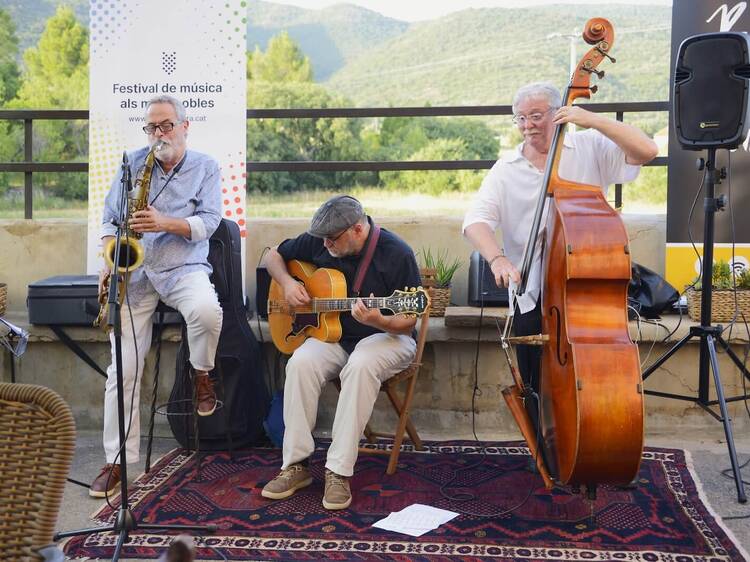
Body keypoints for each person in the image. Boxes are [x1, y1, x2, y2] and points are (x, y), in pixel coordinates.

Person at [463, 81, 658, 394]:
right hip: (529, 291)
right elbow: (475, 221)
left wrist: (592, 119)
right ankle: (541, 442)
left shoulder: (590, 146)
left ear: (559, 113)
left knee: (591, 383)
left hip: (585, 290)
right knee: (534, 386)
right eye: (520, 118)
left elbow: (647, 151)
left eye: (536, 116)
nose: (528, 126)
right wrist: (497, 259)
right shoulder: (506, 169)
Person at [90, 95, 223, 498]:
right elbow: (110, 218)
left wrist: (166, 222)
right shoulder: (132, 162)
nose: (159, 134)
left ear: (185, 126)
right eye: (152, 128)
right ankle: (117, 462)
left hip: (183, 267)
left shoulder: (206, 166)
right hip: (137, 273)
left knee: (207, 310)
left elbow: (212, 221)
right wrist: (111, 258)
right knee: (123, 370)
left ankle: (202, 372)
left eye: (166, 126)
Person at [261, 195, 421, 510]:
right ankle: (296, 465)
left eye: (332, 240)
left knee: (361, 364)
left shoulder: (397, 253)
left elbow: (409, 320)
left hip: (387, 336)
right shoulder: (322, 239)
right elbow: (272, 257)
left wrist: (380, 319)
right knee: (301, 362)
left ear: (358, 229)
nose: (325, 246)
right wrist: (287, 283)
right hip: (333, 335)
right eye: (323, 240)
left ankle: (338, 470)